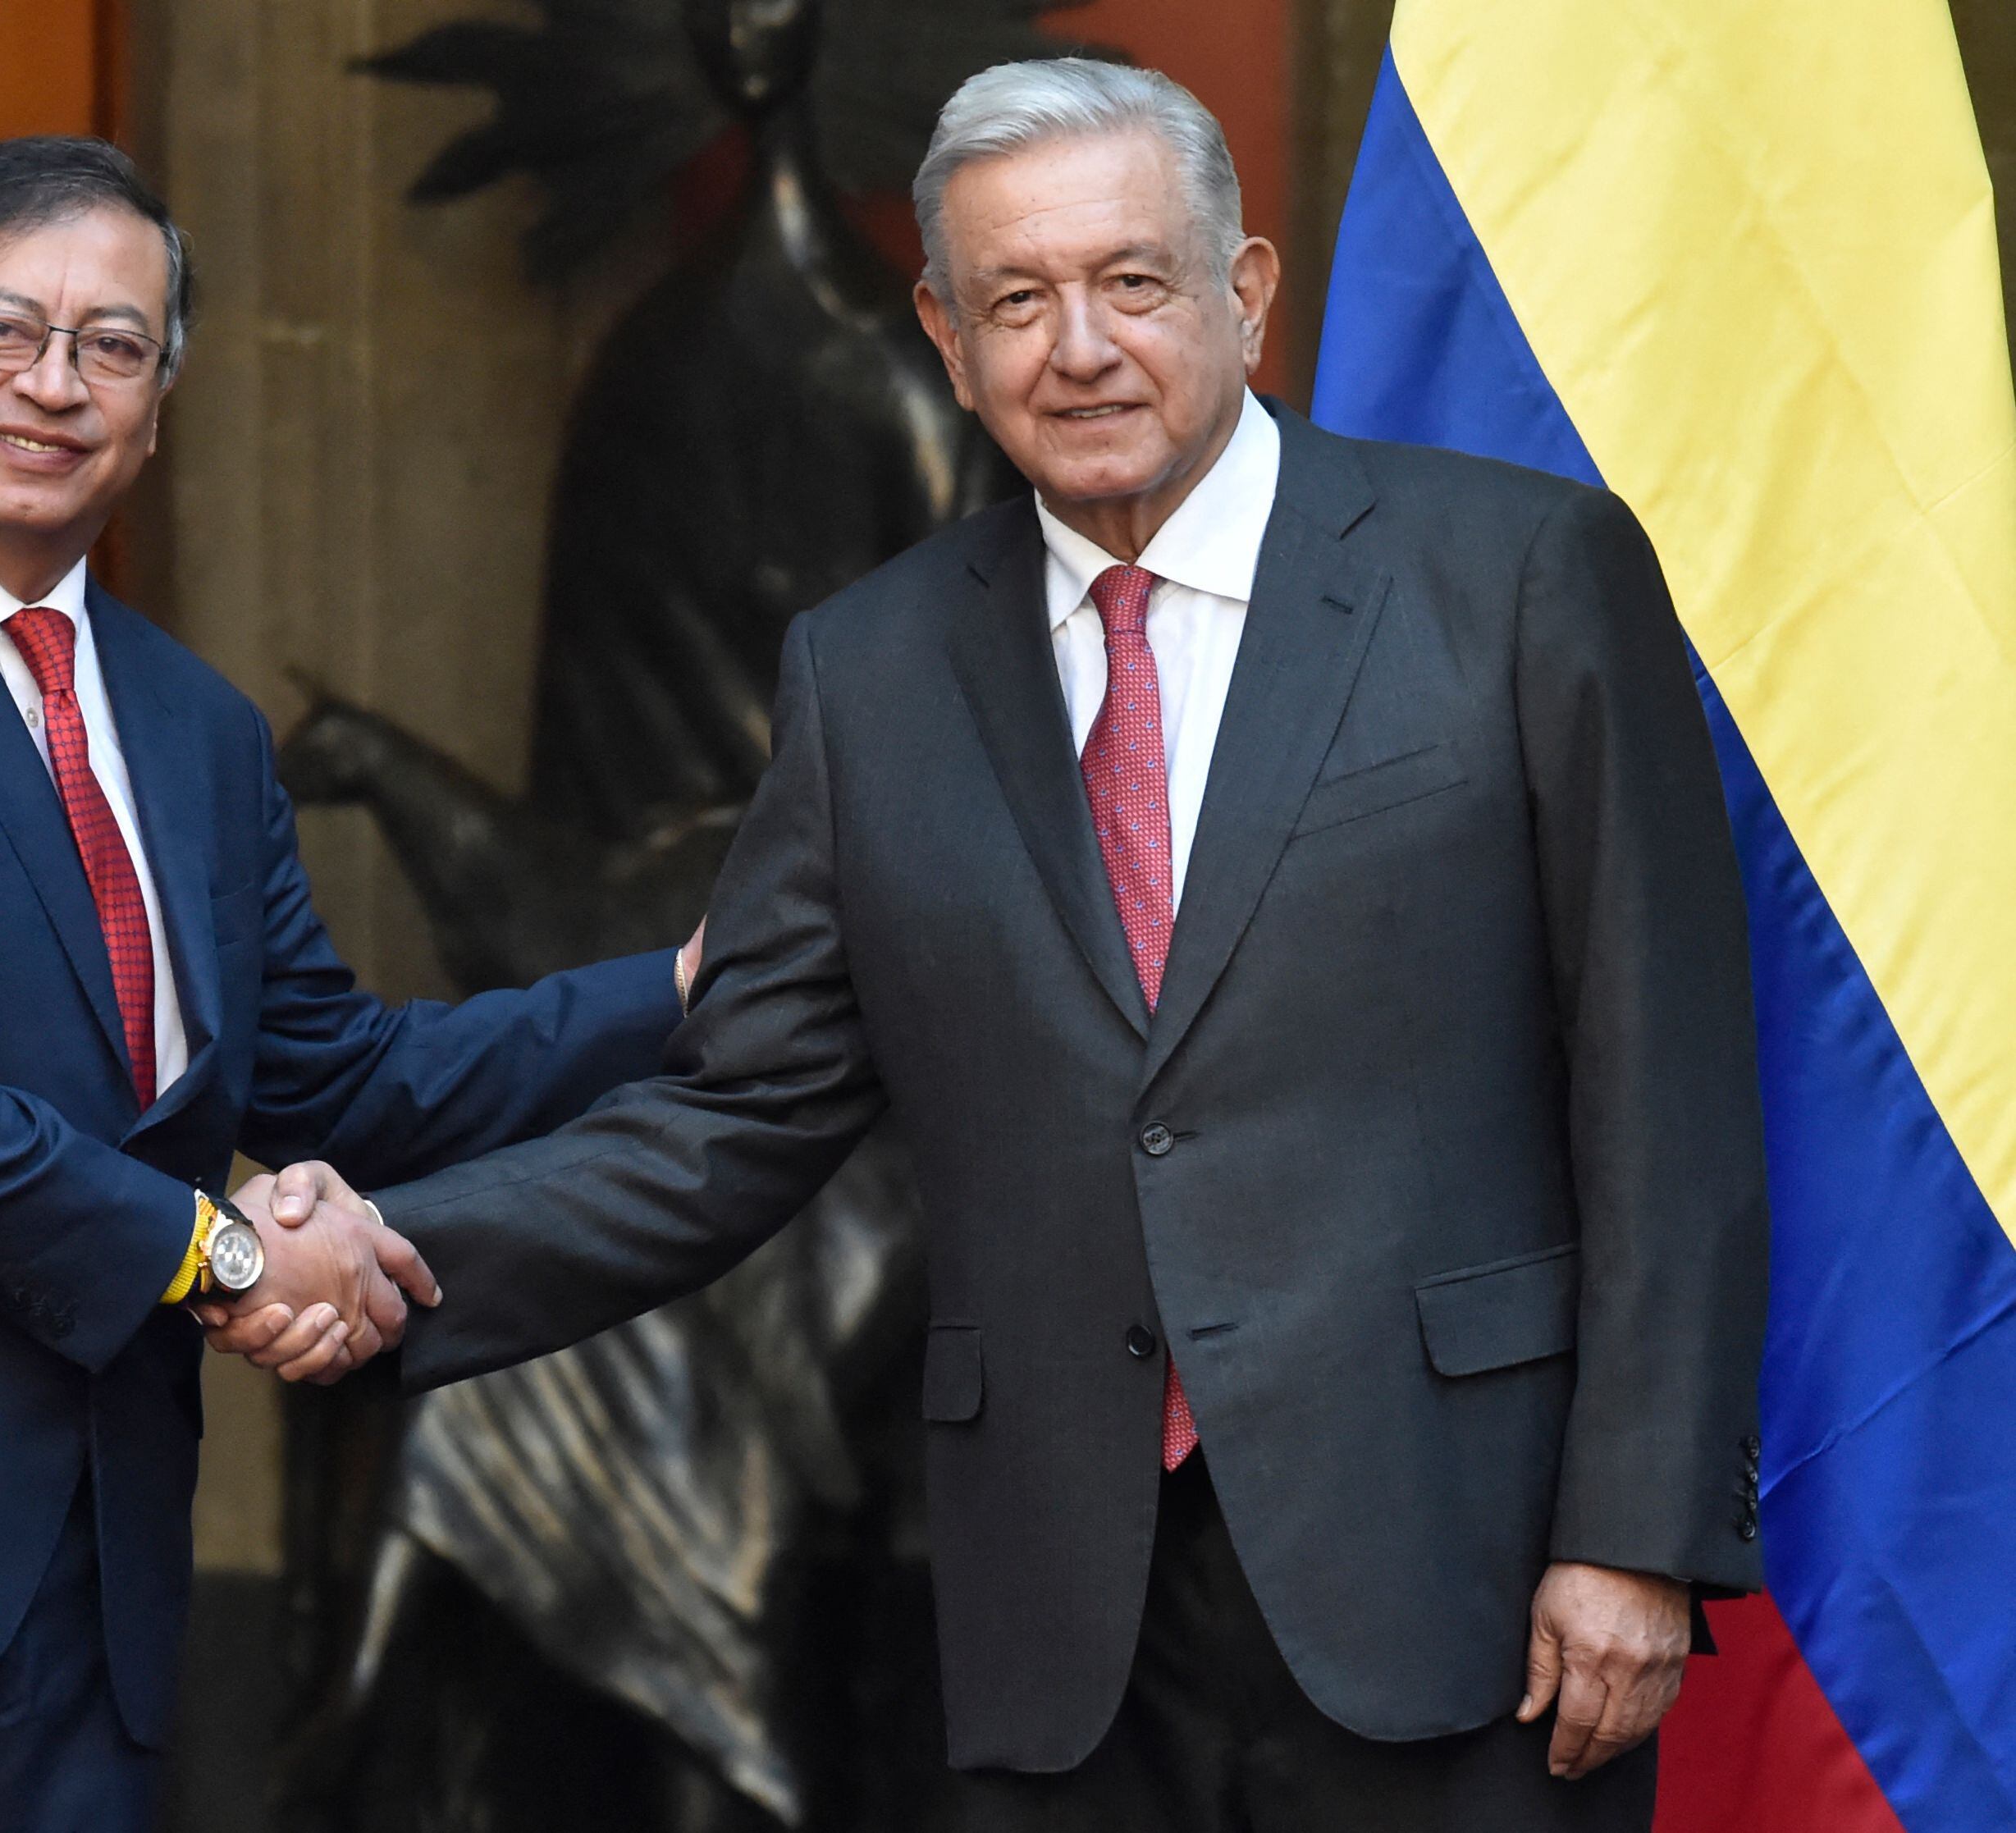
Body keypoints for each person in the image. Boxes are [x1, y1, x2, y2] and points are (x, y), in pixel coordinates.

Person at [213, 59, 1768, 1833]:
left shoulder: (1515, 579)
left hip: (1460, 1571)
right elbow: (739, 1114)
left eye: (1130, 281)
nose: (1077, 347)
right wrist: (397, 1247)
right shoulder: (868, 672)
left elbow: (1670, 1089)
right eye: (1016, 300)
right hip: (1063, 1603)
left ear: (1244, 294)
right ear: (948, 345)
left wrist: (1635, 1537)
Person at [0, 135, 697, 1832]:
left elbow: (344, 1078)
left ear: (163, 398)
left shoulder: (193, 728)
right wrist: (224, 1254)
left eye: (116, 346)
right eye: (3, 327)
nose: (55, 383)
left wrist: (688, 985)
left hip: (88, 1593)